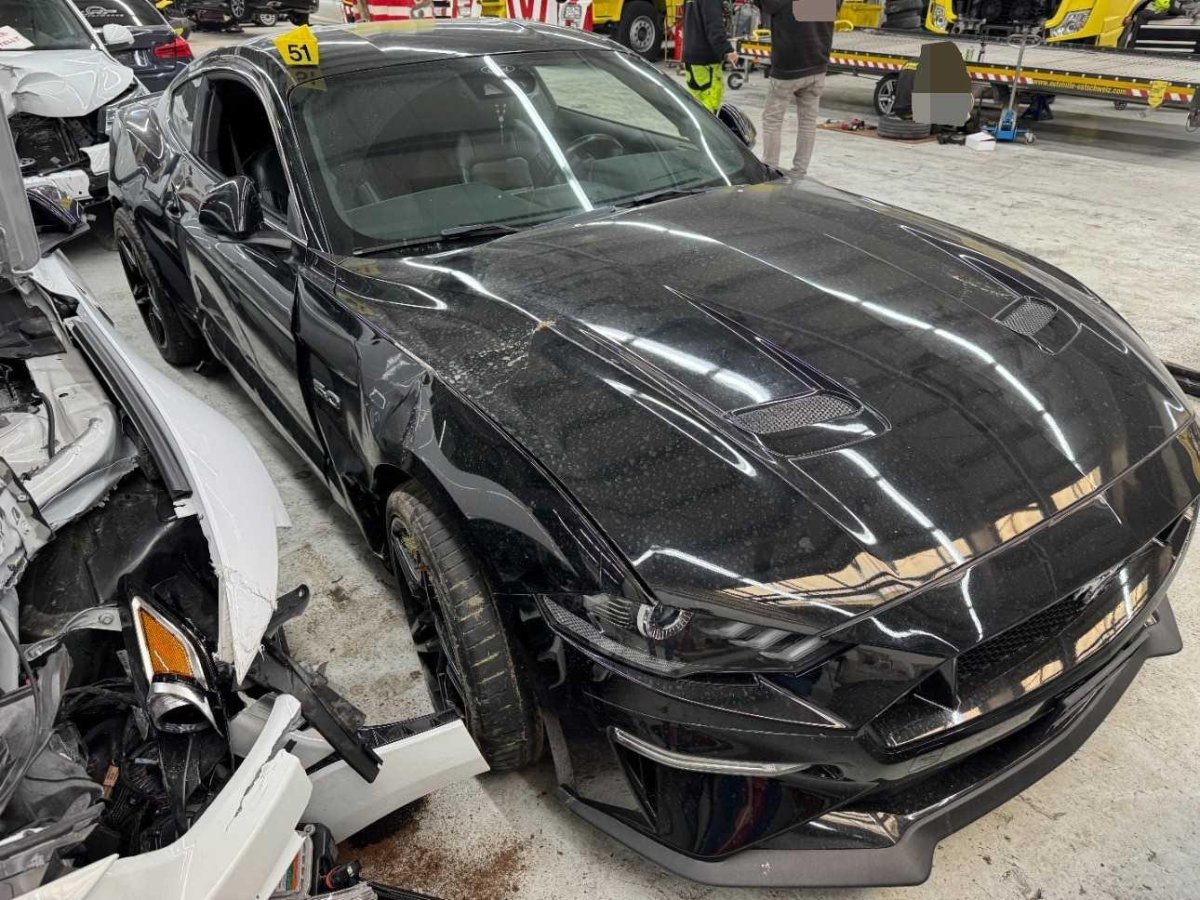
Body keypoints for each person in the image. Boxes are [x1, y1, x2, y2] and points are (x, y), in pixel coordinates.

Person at [759, 0, 834, 175]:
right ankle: (800, 171)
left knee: (772, 120)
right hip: (817, 65)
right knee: (808, 122)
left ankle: (770, 169)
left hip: (788, 68)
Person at [683, 0, 739, 112]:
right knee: (710, 112)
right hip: (707, 62)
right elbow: (714, 27)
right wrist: (727, 50)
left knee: (695, 109)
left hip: (691, 59)